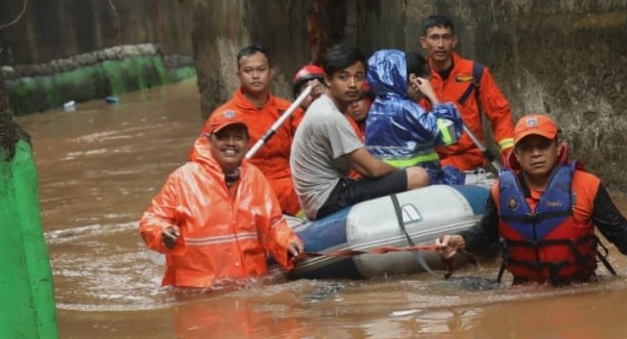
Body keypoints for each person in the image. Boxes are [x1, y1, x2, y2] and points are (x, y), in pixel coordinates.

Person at [434, 114, 627, 285]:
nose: (536, 154)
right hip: (524, 288)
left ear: (558, 147)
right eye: (527, 148)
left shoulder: (587, 185)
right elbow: (486, 232)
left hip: (580, 288)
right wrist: (459, 240)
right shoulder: (501, 191)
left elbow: (621, 233)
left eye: (543, 145)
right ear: (517, 154)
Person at [142, 110, 304, 289]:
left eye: (238, 137)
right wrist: (163, 232)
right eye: (223, 137)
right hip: (198, 291)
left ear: (247, 143)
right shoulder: (182, 179)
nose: (231, 143)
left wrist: (287, 240)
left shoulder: (255, 177)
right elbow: (151, 220)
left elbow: (274, 224)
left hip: (249, 285)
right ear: (210, 140)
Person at [289, 43, 430, 220]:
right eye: (343, 77)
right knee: (418, 176)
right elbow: (374, 169)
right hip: (328, 199)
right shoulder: (330, 116)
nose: (353, 84)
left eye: (358, 77)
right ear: (327, 80)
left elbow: (362, 167)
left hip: (322, 197)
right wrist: (405, 169)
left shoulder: (325, 107)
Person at [196, 45, 304, 215]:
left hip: (291, 190)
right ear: (238, 75)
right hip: (249, 190)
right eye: (248, 71)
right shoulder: (223, 116)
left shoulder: (289, 111)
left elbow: (313, 144)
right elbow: (200, 157)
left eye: (261, 70)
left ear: (271, 72)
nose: (255, 76)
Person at [419, 14, 516, 172]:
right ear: (424, 42)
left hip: (471, 158)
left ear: (454, 41)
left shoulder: (475, 73)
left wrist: (509, 155)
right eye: (434, 38)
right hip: (433, 159)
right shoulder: (418, 79)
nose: (441, 44)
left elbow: (499, 113)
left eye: (446, 38)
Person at [362, 49, 465, 185]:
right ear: (414, 80)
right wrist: (433, 98)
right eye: (427, 82)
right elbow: (447, 134)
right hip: (414, 183)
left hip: (391, 181)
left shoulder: (378, 106)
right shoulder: (404, 108)